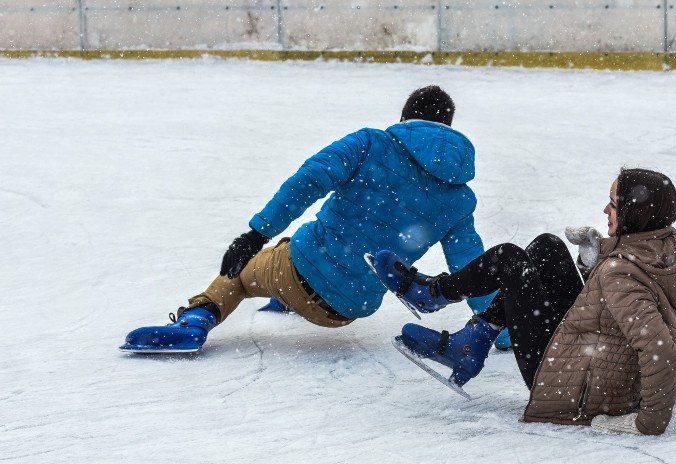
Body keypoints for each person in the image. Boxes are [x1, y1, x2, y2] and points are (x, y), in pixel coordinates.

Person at [121, 86, 494, 353]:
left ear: (403, 118)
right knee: (301, 260)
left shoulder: (370, 143)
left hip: (298, 271)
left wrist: (254, 234)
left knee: (242, 273)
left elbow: (310, 179)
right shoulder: (460, 199)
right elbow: (472, 265)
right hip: (349, 309)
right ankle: (285, 300)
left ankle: (194, 322)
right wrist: (500, 328)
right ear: (449, 126)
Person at [371, 168, 676, 435]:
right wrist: (597, 256)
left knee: (509, 261)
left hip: (572, 389)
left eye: (614, 203)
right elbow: (621, 303)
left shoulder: (622, 273)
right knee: (548, 247)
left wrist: (647, 423)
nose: (606, 209)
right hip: (599, 364)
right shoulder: (669, 248)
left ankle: (432, 295)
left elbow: (662, 350)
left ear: (636, 212)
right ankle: (472, 340)